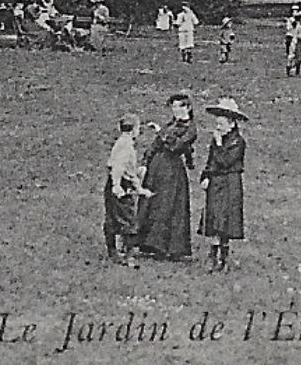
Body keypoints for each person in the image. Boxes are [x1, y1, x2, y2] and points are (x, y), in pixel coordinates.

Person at [136, 94, 196, 262]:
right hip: (157, 169)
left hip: (172, 171)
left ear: (188, 108)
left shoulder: (190, 128)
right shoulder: (171, 124)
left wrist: (161, 132)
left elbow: (177, 146)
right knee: (151, 204)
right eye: (174, 107)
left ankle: (167, 248)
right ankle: (148, 244)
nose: (176, 110)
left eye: (179, 107)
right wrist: (145, 163)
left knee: (167, 206)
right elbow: (155, 145)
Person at [200, 97, 247, 273]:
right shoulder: (217, 140)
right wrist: (205, 175)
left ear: (232, 123)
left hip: (230, 182)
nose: (218, 127)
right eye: (217, 123)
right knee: (214, 220)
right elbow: (211, 160)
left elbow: (225, 162)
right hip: (216, 182)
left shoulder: (238, 142)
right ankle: (212, 256)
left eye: (221, 124)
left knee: (225, 222)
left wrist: (219, 144)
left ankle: (224, 259)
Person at [104, 113, 154, 265]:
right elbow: (119, 167)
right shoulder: (126, 147)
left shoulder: (121, 143)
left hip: (115, 183)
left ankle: (113, 251)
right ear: (134, 130)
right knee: (128, 219)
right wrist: (117, 185)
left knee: (113, 218)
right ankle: (128, 255)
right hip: (121, 185)